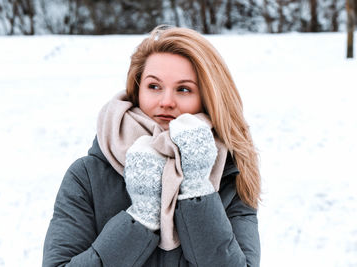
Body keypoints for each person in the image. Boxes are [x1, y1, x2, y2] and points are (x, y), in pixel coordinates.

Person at [42, 25, 261, 267]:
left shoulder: (230, 175)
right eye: (154, 86)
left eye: (184, 89)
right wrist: (139, 220)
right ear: (137, 90)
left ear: (209, 98)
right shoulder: (87, 177)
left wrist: (198, 190)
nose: (166, 101)